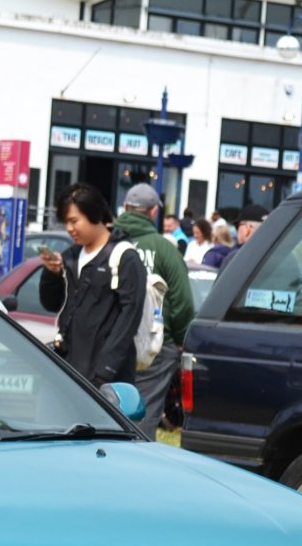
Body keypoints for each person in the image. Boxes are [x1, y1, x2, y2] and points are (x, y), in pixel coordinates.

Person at [38, 182, 146, 389]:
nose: (69, 228)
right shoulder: (71, 256)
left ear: (95, 215)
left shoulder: (125, 257)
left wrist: (104, 372)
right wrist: (52, 274)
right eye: (66, 222)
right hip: (68, 370)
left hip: (106, 379)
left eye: (74, 221)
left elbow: (130, 318)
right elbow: (51, 304)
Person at [114, 183, 195, 437]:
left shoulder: (109, 242)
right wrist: (179, 339)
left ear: (125, 207)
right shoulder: (164, 249)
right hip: (155, 344)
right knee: (143, 414)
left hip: (111, 342)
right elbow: (182, 301)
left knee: (107, 408)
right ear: (153, 213)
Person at [216, 203, 269, 271]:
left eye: (237, 226)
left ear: (247, 229)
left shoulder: (235, 259)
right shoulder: (277, 255)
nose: (237, 230)